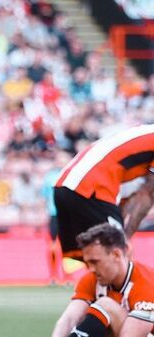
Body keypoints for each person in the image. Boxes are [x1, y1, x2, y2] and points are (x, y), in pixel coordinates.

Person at [54, 124, 154, 260]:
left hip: (64, 184)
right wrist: (125, 237)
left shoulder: (144, 134)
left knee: (92, 258)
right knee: (119, 256)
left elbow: (132, 195)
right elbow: (147, 195)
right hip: (91, 188)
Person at [51, 224, 154, 337]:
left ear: (116, 254)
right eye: (88, 262)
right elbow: (69, 319)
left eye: (95, 262)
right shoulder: (91, 279)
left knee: (105, 305)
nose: (91, 269)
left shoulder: (147, 282)